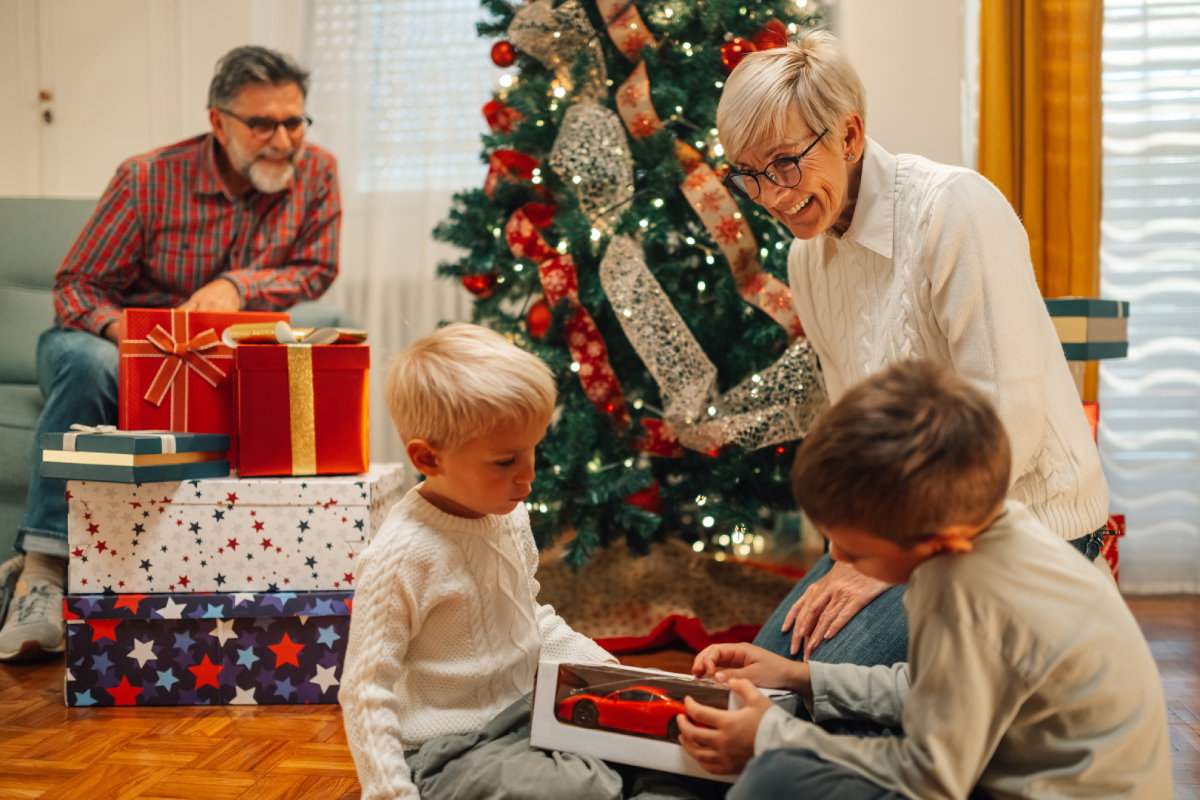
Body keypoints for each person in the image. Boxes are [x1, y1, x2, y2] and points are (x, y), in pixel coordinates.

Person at [716, 29, 1109, 666]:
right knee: (766, 679)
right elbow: (859, 431)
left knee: (810, 695)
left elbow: (1009, 422)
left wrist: (894, 560)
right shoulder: (807, 259)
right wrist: (857, 553)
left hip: (1027, 527)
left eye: (786, 163)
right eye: (750, 176)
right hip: (901, 532)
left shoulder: (954, 209)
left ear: (848, 135)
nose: (773, 196)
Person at [676, 360, 1171, 798]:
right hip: (1003, 768)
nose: (834, 556)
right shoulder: (983, 537)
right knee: (821, 747)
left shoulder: (973, 594)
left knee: (778, 776)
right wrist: (798, 676)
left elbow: (932, 780)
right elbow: (934, 687)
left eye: (857, 550)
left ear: (935, 539)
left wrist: (770, 738)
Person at [0, 45, 341, 661]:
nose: (284, 139)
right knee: (90, 365)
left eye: (294, 121)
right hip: (106, 344)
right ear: (218, 122)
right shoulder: (148, 178)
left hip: (219, 355)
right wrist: (133, 338)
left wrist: (239, 286)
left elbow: (317, 269)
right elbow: (76, 287)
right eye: (262, 123)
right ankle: (44, 575)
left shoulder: (317, 173)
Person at [340, 323, 624, 800]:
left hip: (524, 717)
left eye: (534, 449)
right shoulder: (399, 557)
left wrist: (607, 671)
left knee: (648, 744)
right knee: (576, 787)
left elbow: (527, 616)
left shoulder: (506, 515)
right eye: (505, 461)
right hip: (447, 749)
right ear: (429, 458)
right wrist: (390, 793)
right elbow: (365, 692)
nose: (530, 474)